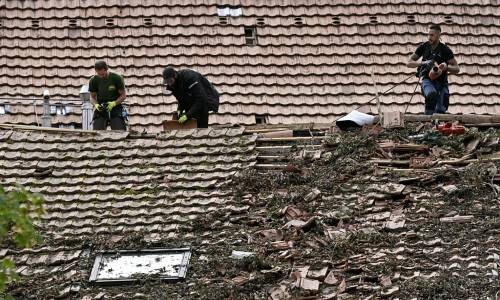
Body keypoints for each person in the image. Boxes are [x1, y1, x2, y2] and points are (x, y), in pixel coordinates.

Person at [407, 24, 460, 115]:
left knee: (440, 110)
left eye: (432, 35)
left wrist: (446, 67)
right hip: (427, 80)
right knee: (431, 95)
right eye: (428, 35)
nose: (429, 37)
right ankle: (428, 120)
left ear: (439, 35)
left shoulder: (445, 50)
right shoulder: (424, 47)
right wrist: (423, 63)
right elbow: (409, 63)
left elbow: (457, 68)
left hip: (441, 83)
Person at [89, 61, 127, 130]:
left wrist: (114, 103)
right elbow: (92, 97)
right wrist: (96, 105)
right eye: (99, 74)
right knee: (97, 132)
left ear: (106, 69)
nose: (101, 76)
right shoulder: (93, 80)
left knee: (120, 132)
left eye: (103, 74)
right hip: (101, 107)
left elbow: (123, 96)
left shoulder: (116, 78)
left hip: (115, 107)